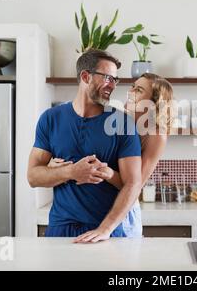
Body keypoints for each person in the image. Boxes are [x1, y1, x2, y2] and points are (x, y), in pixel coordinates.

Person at [27, 49, 142, 243]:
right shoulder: (51, 118)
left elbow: (133, 184)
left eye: (115, 80)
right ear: (85, 76)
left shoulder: (122, 123)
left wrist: (105, 229)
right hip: (61, 230)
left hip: (108, 233)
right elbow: (33, 177)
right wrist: (71, 172)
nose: (112, 85)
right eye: (107, 78)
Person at [50, 73, 174, 241]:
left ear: (153, 103)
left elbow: (135, 185)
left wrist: (108, 173)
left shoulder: (156, 135)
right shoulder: (118, 119)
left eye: (138, 89)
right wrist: (57, 164)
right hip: (94, 210)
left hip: (121, 216)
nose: (130, 91)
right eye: (132, 86)